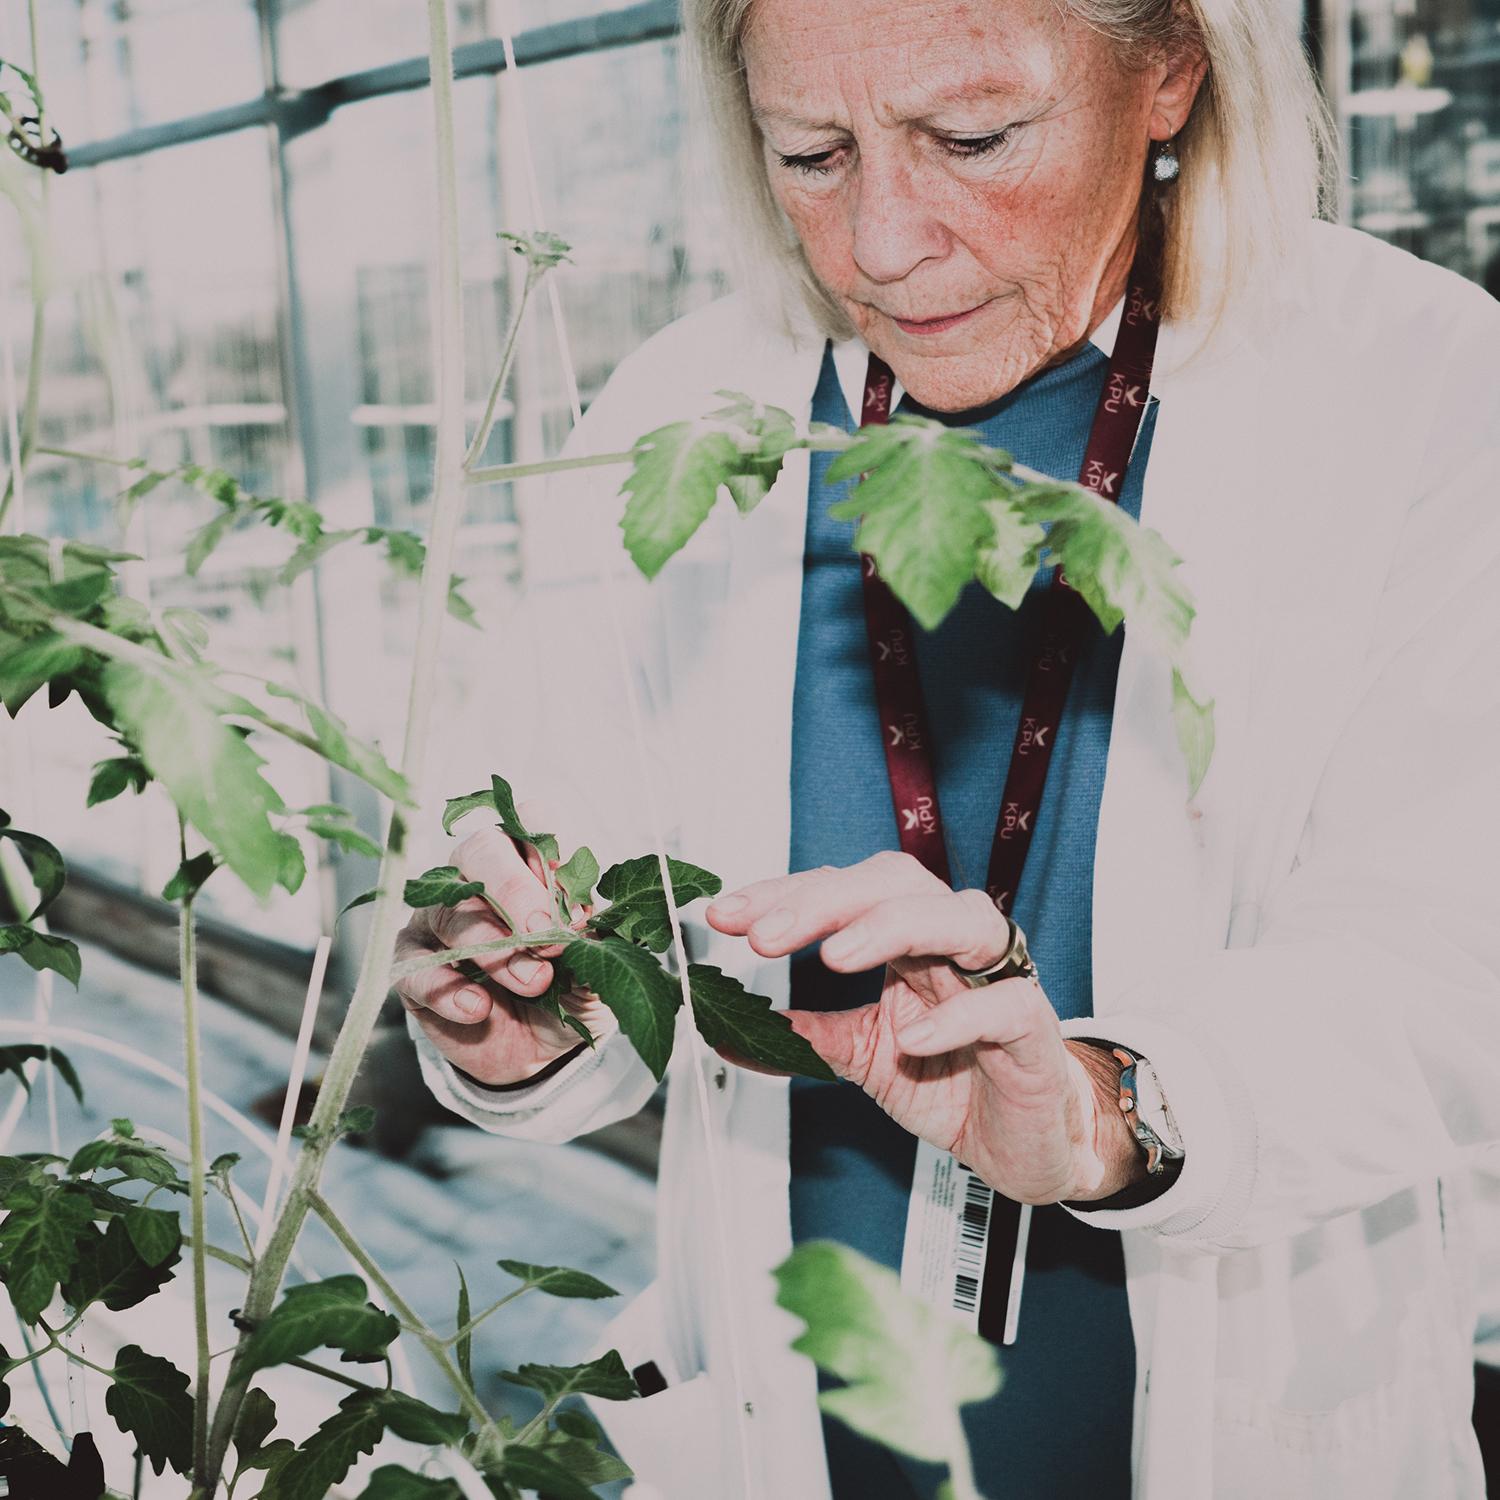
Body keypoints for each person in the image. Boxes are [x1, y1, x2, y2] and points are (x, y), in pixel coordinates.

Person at [394, 0, 1500, 1493]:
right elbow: (562, 865)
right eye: (811, 153)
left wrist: (1108, 1111)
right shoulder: (686, 410)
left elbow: (1453, 956)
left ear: (1170, 71)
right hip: (796, 1424)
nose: (880, 244)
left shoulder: (1418, 383)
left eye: (973, 138)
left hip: (1252, 1414)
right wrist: (525, 1012)